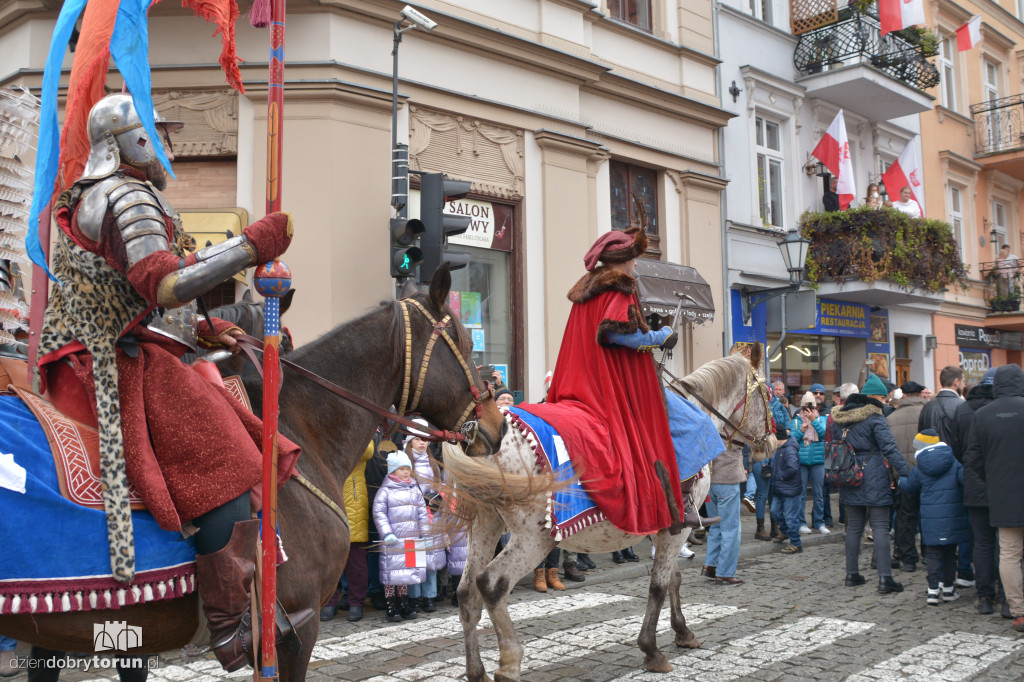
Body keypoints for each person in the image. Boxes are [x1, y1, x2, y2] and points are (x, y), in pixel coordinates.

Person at [34, 94, 306, 669]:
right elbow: (161, 285)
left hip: (126, 342)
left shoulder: (112, 195)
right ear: (126, 142)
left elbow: (140, 295)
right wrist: (252, 246)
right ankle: (231, 628)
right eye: (158, 136)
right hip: (111, 359)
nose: (169, 147)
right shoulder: (126, 196)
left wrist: (207, 329)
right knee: (225, 453)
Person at [518, 227, 718, 534]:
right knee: (698, 425)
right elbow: (615, 333)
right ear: (623, 260)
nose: (636, 264)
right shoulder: (618, 288)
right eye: (634, 258)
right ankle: (682, 505)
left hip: (586, 381)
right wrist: (659, 337)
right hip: (621, 386)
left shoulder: (588, 290)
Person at [830, 374, 911, 593]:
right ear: (875, 398)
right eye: (883, 399)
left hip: (848, 475)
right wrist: (905, 473)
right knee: (881, 528)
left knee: (854, 528)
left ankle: (852, 574)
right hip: (873, 475)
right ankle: (885, 579)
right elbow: (890, 449)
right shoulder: (875, 418)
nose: (885, 403)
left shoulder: (839, 419)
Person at [964, 364, 1024, 633]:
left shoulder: (983, 414)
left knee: (1009, 554)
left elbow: (972, 459)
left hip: (1002, 494)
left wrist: (993, 478)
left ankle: (1019, 611)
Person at [950, 367, 1004, 615]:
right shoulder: (1004, 408)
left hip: (973, 483)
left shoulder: (962, 410)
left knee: (981, 543)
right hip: (1003, 484)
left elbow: (958, 450)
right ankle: (1006, 594)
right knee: (1007, 545)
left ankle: (984, 596)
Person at [899, 430, 970, 605]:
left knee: (933, 554)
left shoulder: (920, 466)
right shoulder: (953, 462)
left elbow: (910, 487)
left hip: (931, 519)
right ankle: (948, 589)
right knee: (949, 553)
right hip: (953, 516)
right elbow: (965, 481)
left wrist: (901, 481)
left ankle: (932, 591)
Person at [321, 441, 375, 623]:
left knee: (356, 561)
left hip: (354, 500)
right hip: (327, 496)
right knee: (329, 560)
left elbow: (367, 450)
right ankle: (329, 602)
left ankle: (356, 603)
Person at [373, 451, 429, 622]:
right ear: (392, 471)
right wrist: (387, 533)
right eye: (401, 469)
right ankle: (391, 603)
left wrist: (425, 533)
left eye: (408, 469)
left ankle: (404, 601)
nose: (406, 472)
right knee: (392, 574)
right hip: (393, 540)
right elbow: (379, 513)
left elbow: (422, 513)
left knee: (406, 573)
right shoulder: (385, 491)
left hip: (412, 539)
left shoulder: (414, 489)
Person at [886, 380, 929, 573]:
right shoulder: (927, 413)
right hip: (928, 474)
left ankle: (908, 558)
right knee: (929, 516)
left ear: (903, 395)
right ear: (920, 394)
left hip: (903, 475)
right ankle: (929, 554)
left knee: (905, 518)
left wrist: (891, 477)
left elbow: (886, 451)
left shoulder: (891, 418)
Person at [405, 421, 445, 612]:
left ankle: (429, 595)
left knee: (431, 558)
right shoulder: (404, 463)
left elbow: (441, 486)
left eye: (425, 440)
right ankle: (413, 596)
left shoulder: (433, 464)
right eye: (418, 439)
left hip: (432, 515)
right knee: (414, 557)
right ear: (410, 442)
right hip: (413, 516)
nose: (422, 443)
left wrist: (436, 498)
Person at [700, 443, 746, 585]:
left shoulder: (709, 423)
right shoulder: (732, 426)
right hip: (727, 478)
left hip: (710, 481)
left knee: (716, 525)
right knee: (731, 528)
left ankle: (710, 565)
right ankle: (725, 572)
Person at [792, 391, 829, 535]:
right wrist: (801, 431)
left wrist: (814, 421)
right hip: (801, 461)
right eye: (805, 409)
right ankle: (801, 523)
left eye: (811, 408)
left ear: (815, 408)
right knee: (801, 494)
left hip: (818, 460)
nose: (808, 411)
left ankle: (819, 522)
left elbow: (824, 435)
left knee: (818, 494)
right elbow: (793, 440)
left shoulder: (821, 420)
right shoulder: (796, 420)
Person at [771, 434, 803, 553]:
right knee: (775, 511)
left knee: (791, 517)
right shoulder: (780, 448)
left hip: (790, 489)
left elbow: (793, 468)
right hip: (779, 488)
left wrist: (781, 477)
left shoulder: (789, 449)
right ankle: (785, 532)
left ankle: (796, 544)